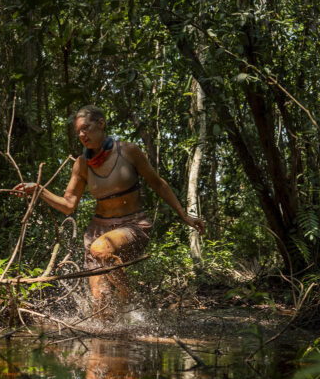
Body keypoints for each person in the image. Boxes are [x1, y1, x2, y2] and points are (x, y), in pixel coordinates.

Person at [14, 105, 206, 318]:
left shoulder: (129, 151)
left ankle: (130, 299)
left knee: (100, 248)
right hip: (98, 229)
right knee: (100, 305)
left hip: (132, 226)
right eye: (78, 132)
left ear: (101, 124)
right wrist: (39, 190)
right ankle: (115, 332)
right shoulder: (82, 164)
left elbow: (158, 184)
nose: (81, 135)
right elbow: (68, 205)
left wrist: (184, 215)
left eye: (85, 128)